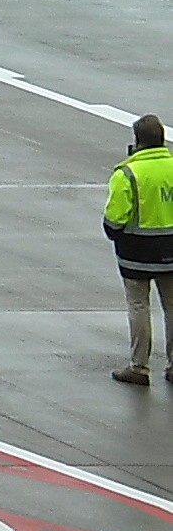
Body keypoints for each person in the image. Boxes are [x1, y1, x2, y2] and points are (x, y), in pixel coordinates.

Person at [112, 114, 173, 383]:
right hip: (171, 251)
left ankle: (139, 367)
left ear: (137, 142)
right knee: (172, 307)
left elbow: (115, 219)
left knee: (139, 306)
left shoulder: (127, 173)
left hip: (136, 252)